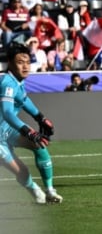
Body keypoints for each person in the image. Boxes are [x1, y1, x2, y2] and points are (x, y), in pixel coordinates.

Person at [0, 43, 62, 204]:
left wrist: (40, 117)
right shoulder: (7, 82)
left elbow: (23, 99)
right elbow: (7, 113)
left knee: (39, 145)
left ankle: (50, 190)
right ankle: (34, 189)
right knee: (23, 171)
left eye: (27, 62)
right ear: (10, 63)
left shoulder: (18, 81)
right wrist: (28, 130)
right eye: (20, 62)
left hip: (7, 130)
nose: (25, 66)